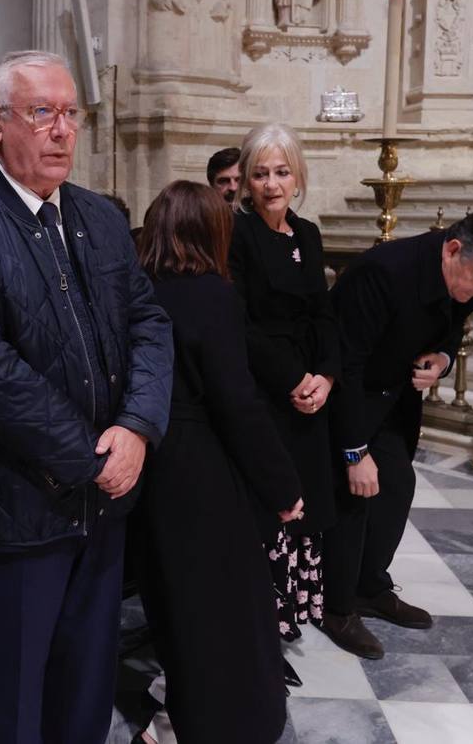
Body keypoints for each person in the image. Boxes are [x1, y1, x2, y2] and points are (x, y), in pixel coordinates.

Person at [0, 50, 173, 744]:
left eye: (70, 115)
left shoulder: (100, 217)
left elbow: (147, 320)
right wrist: (91, 456)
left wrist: (138, 426)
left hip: (102, 502)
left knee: (85, 683)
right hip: (11, 510)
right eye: (41, 113)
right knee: (13, 701)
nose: (60, 131)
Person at [134, 180, 304, 744]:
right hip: (200, 465)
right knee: (226, 602)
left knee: (176, 599)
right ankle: (227, 722)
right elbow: (236, 403)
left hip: (148, 461)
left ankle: (181, 711)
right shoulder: (212, 294)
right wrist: (282, 486)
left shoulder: (136, 287)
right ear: (211, 231)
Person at [322, 211, 473, 659]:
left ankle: (369, 588)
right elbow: (345, 364)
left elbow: (451, 327)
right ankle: (335, 607)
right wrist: (355, 452)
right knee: (354, 494)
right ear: (453, 250)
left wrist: (443, 358)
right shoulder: (383, 273)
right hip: (344, 397)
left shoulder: (465, 278)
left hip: (392, 397)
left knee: (396, 486)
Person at [229, 124, 338, 686]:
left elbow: (322, 313)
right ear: (245, 180)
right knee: (268, 509)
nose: (272, 184)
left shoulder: (308, 232)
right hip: (264, 388)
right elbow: (239, 323)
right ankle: (256, 632)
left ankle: (289, 619)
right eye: (260, 172)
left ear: (297, 176)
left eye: (281, 171)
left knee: (304, 505)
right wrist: (293, 378)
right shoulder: (235, 232)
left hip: (308, 391)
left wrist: (326, 375)